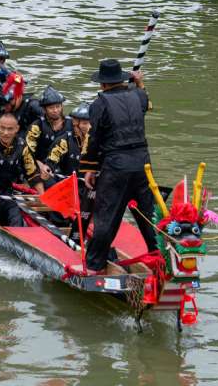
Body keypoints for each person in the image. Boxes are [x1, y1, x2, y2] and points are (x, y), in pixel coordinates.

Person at [78, 59, 156, 276]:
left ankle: (94, 265)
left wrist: (90, 168)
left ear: (103, 84)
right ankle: (160, 257)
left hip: (116, 166)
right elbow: (147, 103)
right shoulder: (138, 95)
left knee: (106, 216)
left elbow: (94, 139)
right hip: (143, 164)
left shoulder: (99, 104)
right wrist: (139, 83)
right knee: (148, 214)